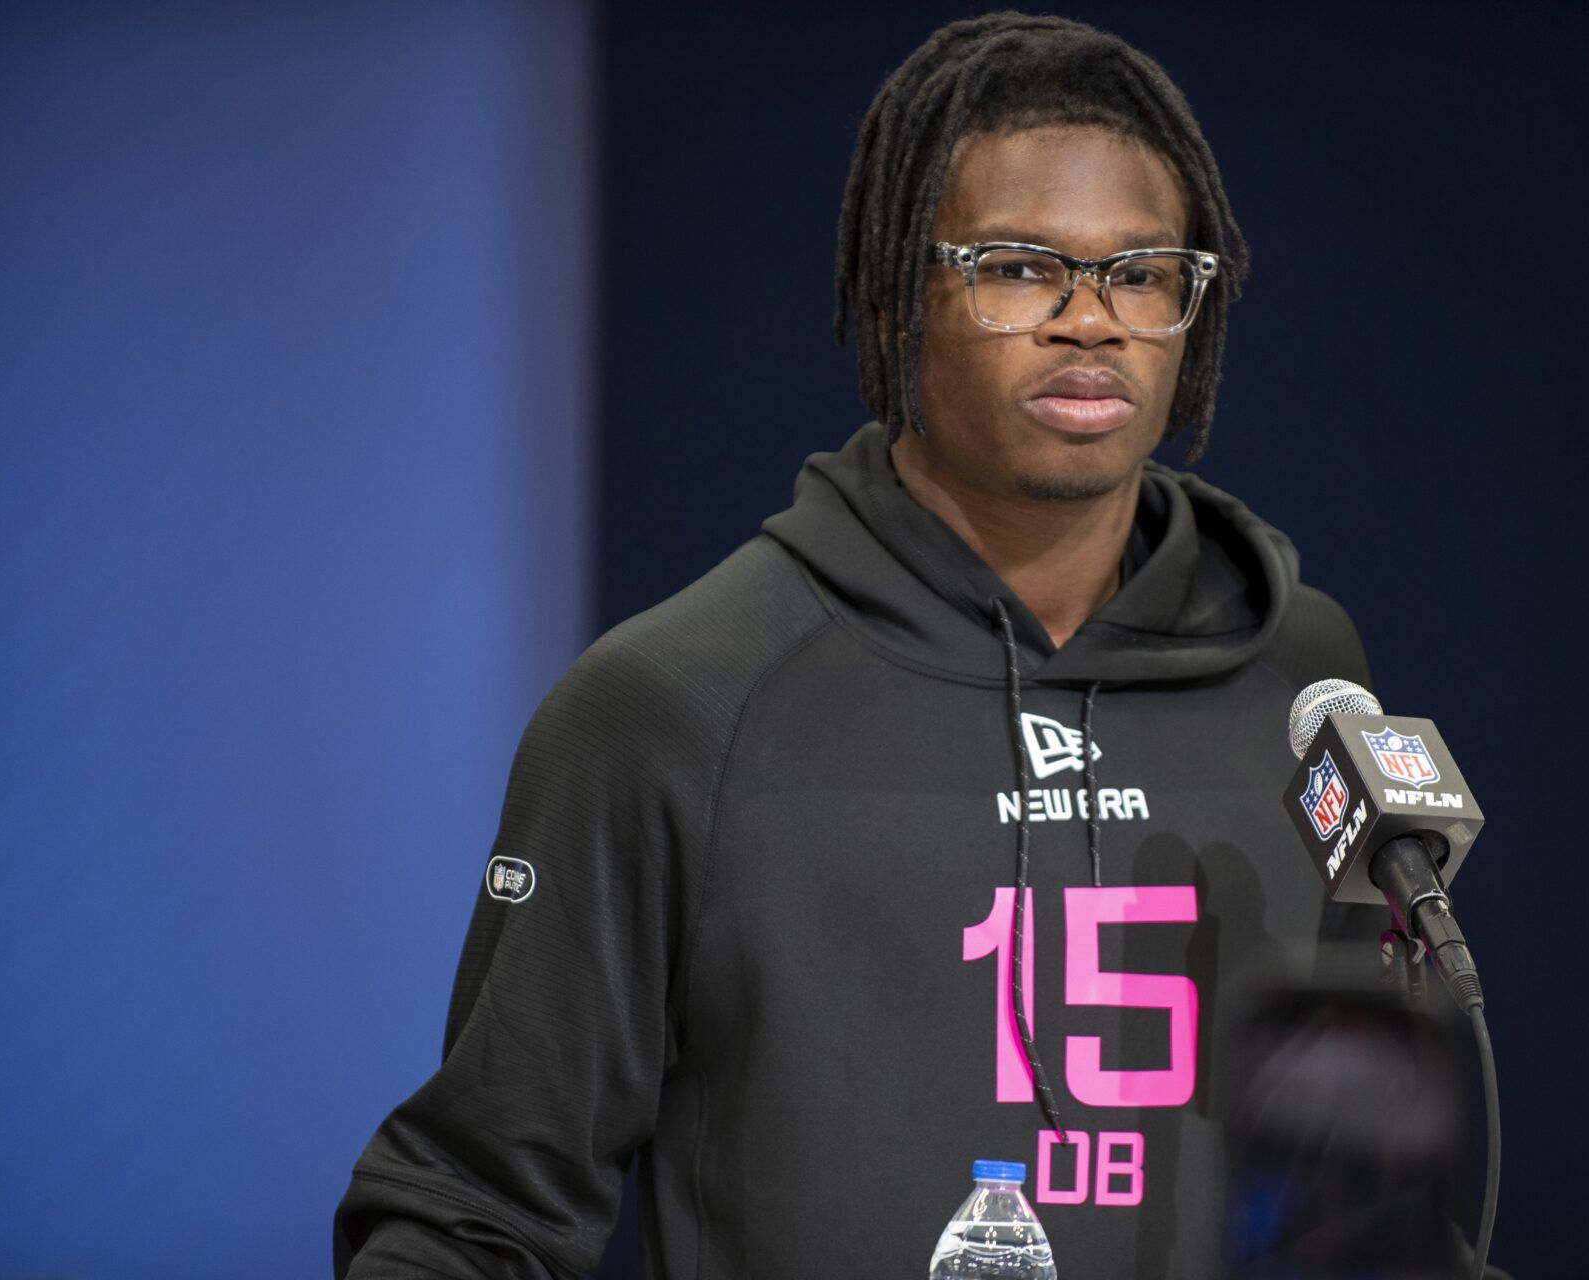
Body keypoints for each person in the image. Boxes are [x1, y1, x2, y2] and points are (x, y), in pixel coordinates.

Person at [335, 12, 1379, 1278]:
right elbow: (468, 1212)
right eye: (1017, 266)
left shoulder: (1301, 676)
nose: (1089, 320)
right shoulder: (672, 705)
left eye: (1142, 272)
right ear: (896, 297)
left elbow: (1372, 1200)